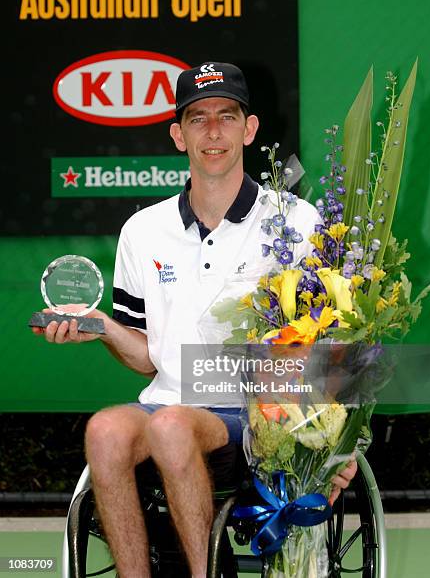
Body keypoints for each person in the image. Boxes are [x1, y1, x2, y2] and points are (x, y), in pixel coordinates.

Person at [32, 62, 357, 577]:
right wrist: (101, 327)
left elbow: (339, 350)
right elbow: (147, 358)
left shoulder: (295, 221)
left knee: (170, 425)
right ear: (177, 135)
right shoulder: (143, 230)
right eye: (198, 118)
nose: (213, 132)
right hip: (167, 403)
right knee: (107, 432)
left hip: (257, 423)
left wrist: (337, 448)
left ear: (249, 129)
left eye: (226, 116)